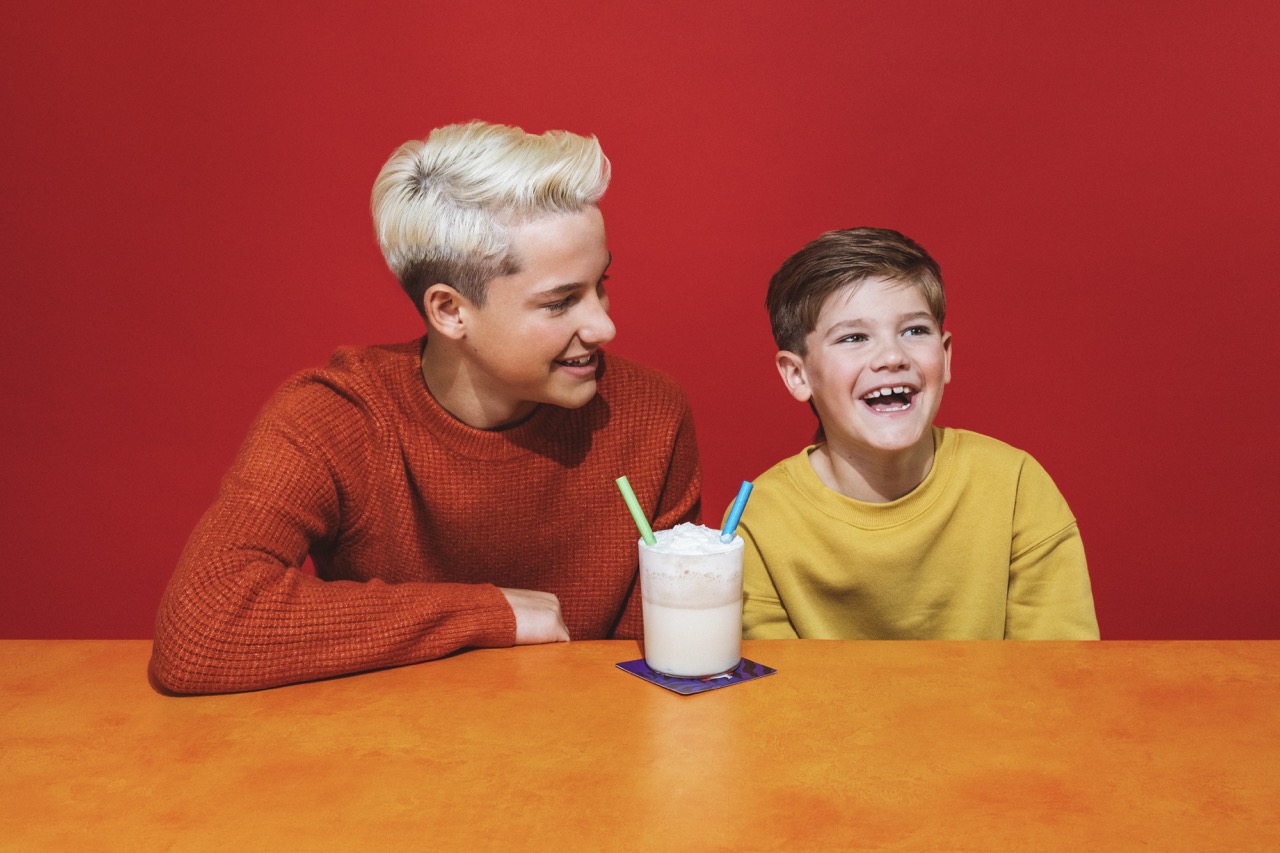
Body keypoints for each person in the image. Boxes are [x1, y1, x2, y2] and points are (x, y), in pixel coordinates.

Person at [151, 121, 702, 694]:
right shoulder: (334, 417)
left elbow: (656, 666)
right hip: (386, 758)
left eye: (601, 285)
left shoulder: (650, 414)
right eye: (561, 302)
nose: (605, 325)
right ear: (449, 311)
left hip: (586, 751)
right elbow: (201, 632)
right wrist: (489, 615)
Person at [734, 227, 1097, 640]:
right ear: (798, 374)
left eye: (914, 331)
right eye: (854, 337)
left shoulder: (1015, 487)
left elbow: (1061, 676)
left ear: (944, 358)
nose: (892, 357)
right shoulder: (758, 521)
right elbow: (773, 695)